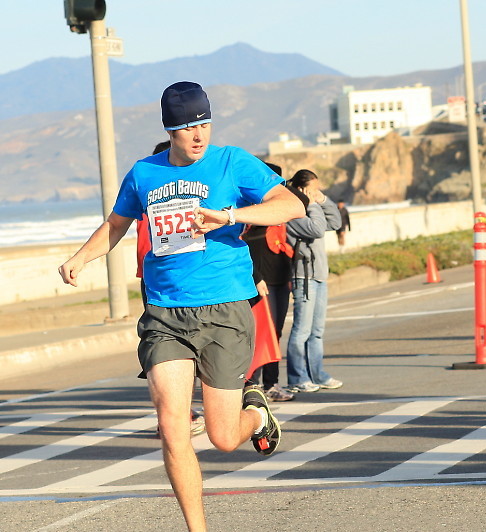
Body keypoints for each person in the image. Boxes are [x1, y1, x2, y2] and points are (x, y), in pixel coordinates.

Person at [57, 81, 305, 530]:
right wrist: (80, 258)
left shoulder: (232, 162)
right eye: (188, 127)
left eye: (204, 124)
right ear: (170, 129)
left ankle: (257, 416)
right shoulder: (144, 173)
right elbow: (116, 225)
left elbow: (289, 204)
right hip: (165, 313)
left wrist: (228, 216)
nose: (198, 135)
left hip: (225, 311)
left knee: (223, 437)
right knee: (172, 426)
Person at [137, 140, 205, 437]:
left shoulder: (166, 200)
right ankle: (176, 416)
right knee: (164, 356)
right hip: (158, 285)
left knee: (176, 356)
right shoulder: (150, 199)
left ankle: (178, 414)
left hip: (181, 284)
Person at [242, 162, 308, 402]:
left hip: (280, 281)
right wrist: (256, 278)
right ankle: (253, 384)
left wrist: (285, 187)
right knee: (260, 334)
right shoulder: (254, 213)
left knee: (276, 333)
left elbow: (302, 200)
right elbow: (244, 249)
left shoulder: (280, 211)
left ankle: (271, 383)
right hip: (261, 283)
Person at [285, 169, 343, 392]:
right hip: (304, 276)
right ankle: (297, 378)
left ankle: (318, 374)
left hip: (319, 275)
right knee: (302, 330)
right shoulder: (294, 213)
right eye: (314, 189)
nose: (317, 193)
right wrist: (310, 204)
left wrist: (324, 201)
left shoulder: (313, 208)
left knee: (317, 331)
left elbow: (335, 222)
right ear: (301, 189)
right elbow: (317, 229)